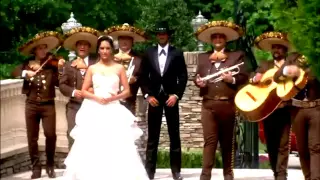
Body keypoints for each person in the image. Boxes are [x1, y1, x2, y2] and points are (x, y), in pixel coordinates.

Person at [62, 35, 148, 180]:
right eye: (102, 48)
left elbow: (127, 91)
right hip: (94, 108)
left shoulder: (119, 68)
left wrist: (113, 98)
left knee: (115, 146)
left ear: (112, 50)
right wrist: (97, 97)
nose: (104, 51)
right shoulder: (92, 68)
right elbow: (84, 90)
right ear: (98, 50)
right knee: (93, 146)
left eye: (107, 48)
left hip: (113, 108)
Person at [194, 20, 248, 180]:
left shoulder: (236, 55)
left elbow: (244, 76)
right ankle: (205, 176)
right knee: (209, 142)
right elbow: (197, 78)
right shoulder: (203, 57)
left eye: (220, 37)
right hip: (208, 104)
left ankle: (228, 175)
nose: (217, 40)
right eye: (215, 37)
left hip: (228, 104)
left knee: (227, 142)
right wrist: (199, 82)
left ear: (225, 39)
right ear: (211, 40)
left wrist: (231, 79)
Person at [11, 31, 65, 179]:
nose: (43, 51)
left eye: (45, 48)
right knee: (32, 137)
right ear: (35, 50)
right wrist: (25, 72)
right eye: (40, 48)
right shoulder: (27, 64)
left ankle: (50, 165)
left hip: (48, 105)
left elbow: (60, 82)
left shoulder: (52, 64)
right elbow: (13, 72)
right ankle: (36, 167)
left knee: (50, 135)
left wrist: (60, 68)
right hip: (31, 104)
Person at [140, 21, 188, 180]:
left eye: (164, 33)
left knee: (174, 134)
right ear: (156, 36)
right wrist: (147, 95)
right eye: (159, 33)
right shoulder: (149, 53)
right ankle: (150, 171)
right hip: (154, 98)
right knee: (153, 136)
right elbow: (142, 77)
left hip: (170, 98)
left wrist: (176, 95)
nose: (161, 36)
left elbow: (183, 76)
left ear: (168, 35)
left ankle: (176, 170)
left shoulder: (177, 53)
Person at [251, 31, 293, 180]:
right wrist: (255, 78)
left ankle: (281, 175)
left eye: (279, 47)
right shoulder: (265, 65)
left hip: (285, 109)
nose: (276, 50)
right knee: (271, 145)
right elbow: (252, 78)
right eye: (274, 47)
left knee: (283, 144)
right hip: (268, 111)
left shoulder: (291, 66)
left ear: (285, 49)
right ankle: (276, 173)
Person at [274, 52, 320, 180]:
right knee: (302, 148)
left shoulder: (316, 55)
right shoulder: (291, 57)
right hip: (297, 110)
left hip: (316, 108)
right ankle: (308, 177)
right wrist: (287, 70)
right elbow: (276, 77)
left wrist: (304, 72)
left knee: (315, 147)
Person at [59, 26, 99, 149]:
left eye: (85, 45)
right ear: (76, 48)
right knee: (73, 135)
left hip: (94, 105)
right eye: (79, 45)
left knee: (93, 137)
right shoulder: (69, 65)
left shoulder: (97, 62)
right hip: (74, 106)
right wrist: (73, 92)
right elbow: (62, 84)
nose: (82, 47)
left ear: (89, 47)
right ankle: (73, 166)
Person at [104, 23, 147, 114]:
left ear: (132, 41)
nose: (124, 42)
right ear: (118, 40)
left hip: (129, 101)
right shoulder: (109, 57)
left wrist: (135, 79)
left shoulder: (139, 59)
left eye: (127, 39)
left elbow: (144, 78)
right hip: (109, 100)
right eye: (122, 39)